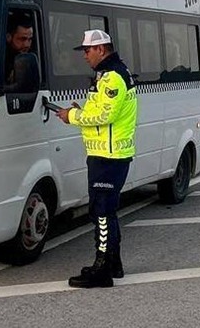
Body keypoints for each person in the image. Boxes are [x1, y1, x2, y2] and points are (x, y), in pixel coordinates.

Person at [55, 29, 138, 289]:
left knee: (101, 213)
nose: (85, 56)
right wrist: (80, 110)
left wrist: (73, 117)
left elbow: (105, 115)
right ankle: (113, 264)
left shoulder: (112, 77)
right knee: (106, 212)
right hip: (106, 154)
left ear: (101, 49)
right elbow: (98, 109)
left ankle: (102, 269)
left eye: (87, 51)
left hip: (109, 156)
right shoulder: (107, 75)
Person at [4, 14, 33, 83]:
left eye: (30, 39)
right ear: (8, 37)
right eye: (22, 39)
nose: (27, 45)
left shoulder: (31, 58)